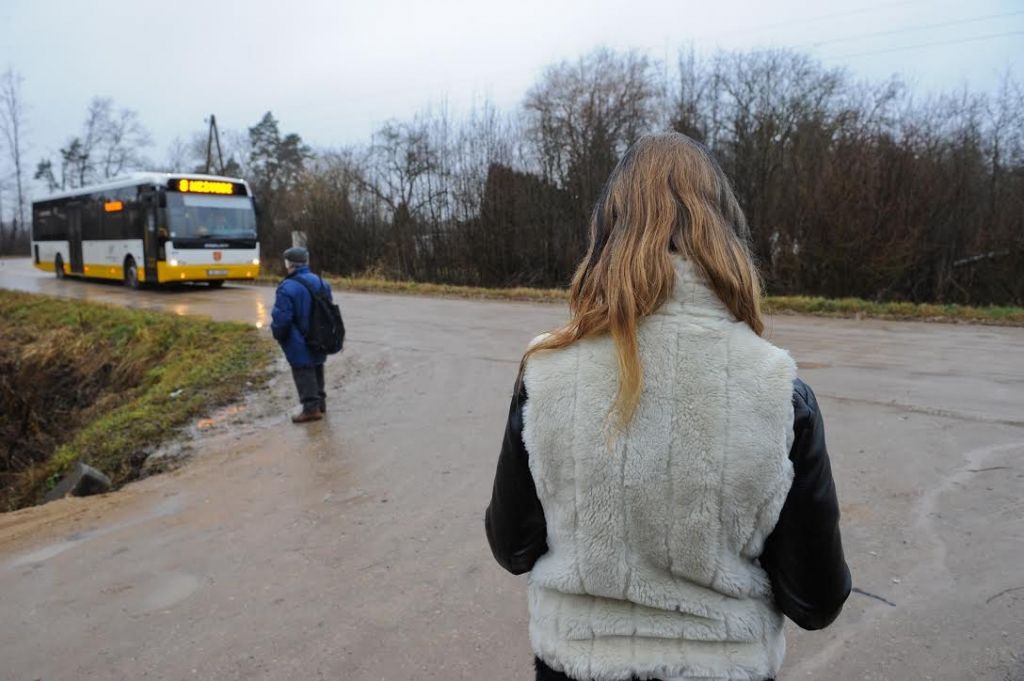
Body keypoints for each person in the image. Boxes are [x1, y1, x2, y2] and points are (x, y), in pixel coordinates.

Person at [485, 133, 851, 681]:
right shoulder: (777, 387)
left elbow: (512, 546)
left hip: (575, 666)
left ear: (607, 232)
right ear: (724, 228)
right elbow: (816, 601)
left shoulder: (545, 372)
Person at [271, 246, 333, 424]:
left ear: (289, 264)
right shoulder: (321, 282)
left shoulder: (287, 287)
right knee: (317, 365)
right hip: (320, 334)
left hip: (297, 337)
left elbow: (282, 318)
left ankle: (310, 409)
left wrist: (278, 334)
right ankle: (320, 404)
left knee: (302, 369)